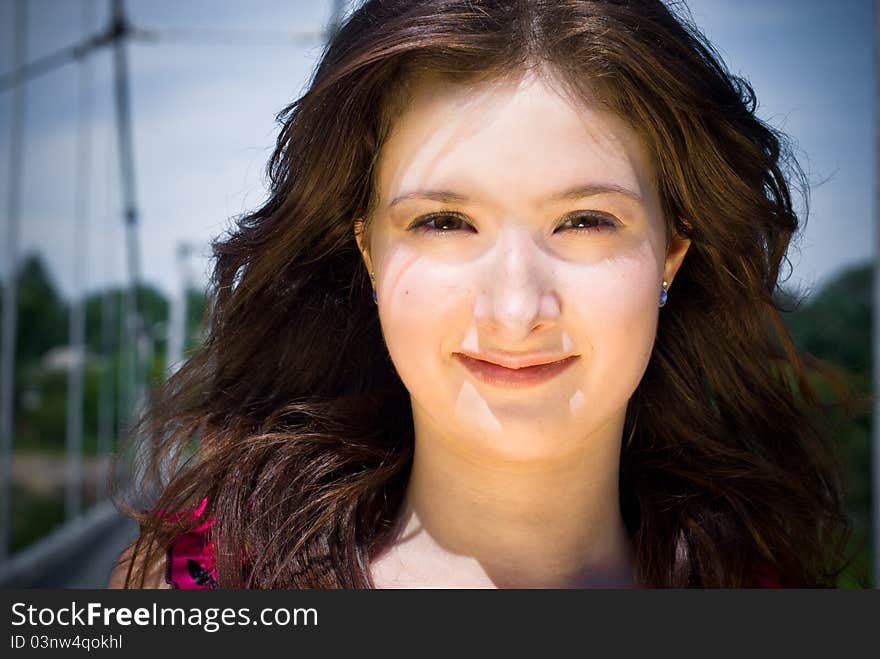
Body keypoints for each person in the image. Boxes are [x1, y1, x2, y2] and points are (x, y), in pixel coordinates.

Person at [108, 0, 854, 589]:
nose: (514, 309)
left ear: (672, 250)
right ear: (367, 249)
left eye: (585, 221)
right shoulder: (199, 587)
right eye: (445, 222)